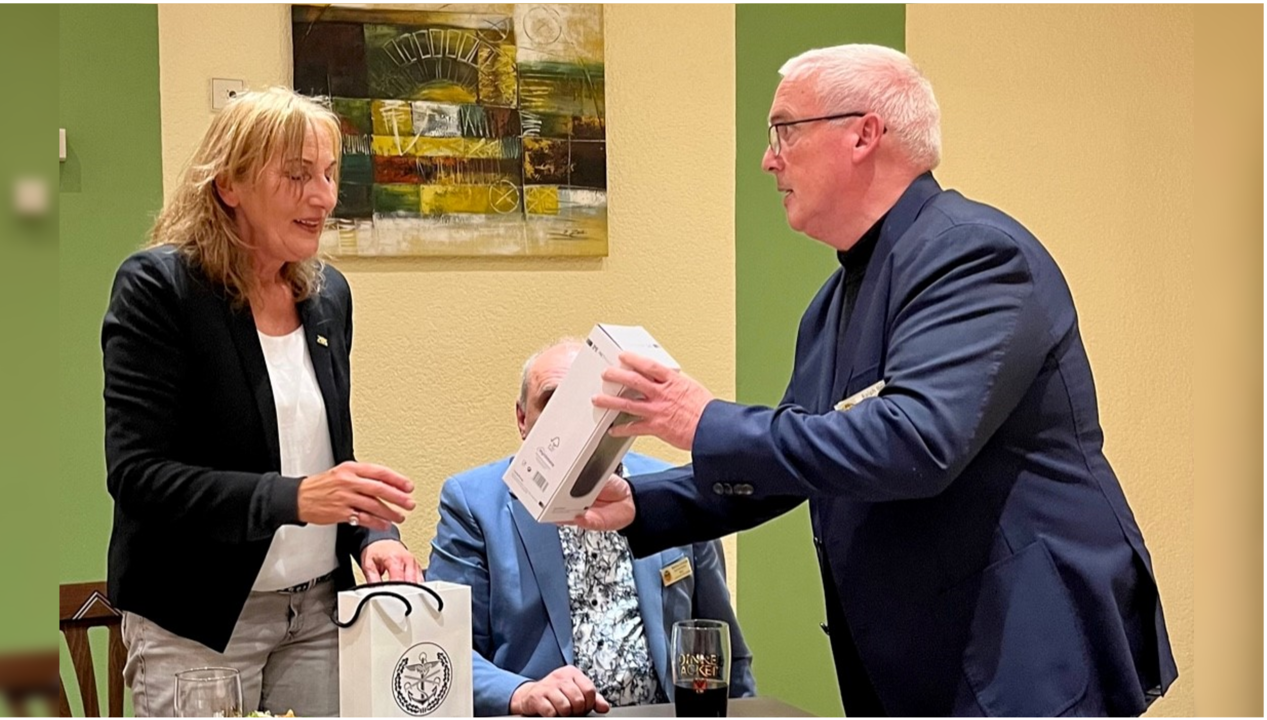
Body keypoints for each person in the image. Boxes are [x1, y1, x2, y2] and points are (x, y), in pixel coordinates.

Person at [573, 45, 1178, 716]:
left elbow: (915, 442)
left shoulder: (975, 254)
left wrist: (702, 417)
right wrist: (645, 505)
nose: (770, 159)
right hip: (922, 658)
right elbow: (800, 454)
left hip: (1020, 655)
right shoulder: (831, 303)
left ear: (863, 132)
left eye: (784, 131)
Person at [102, 87, 422, 717]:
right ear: (229, 186)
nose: (325, 197)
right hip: (197, 623)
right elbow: (138, 476)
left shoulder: (328, 295)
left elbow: (330, 456)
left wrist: (368, 536)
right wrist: (296, 498)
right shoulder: (158, 290)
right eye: (299, 175)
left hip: (318, 614)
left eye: (329, 174)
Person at [425, 340, 755, 717]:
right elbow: (442, 648)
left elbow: (718, 644)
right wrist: (520, 692)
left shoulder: (670, 491)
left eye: (590, 400)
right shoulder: (474, 503)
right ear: (522, 419)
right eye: (552, 401)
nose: (573, 418)